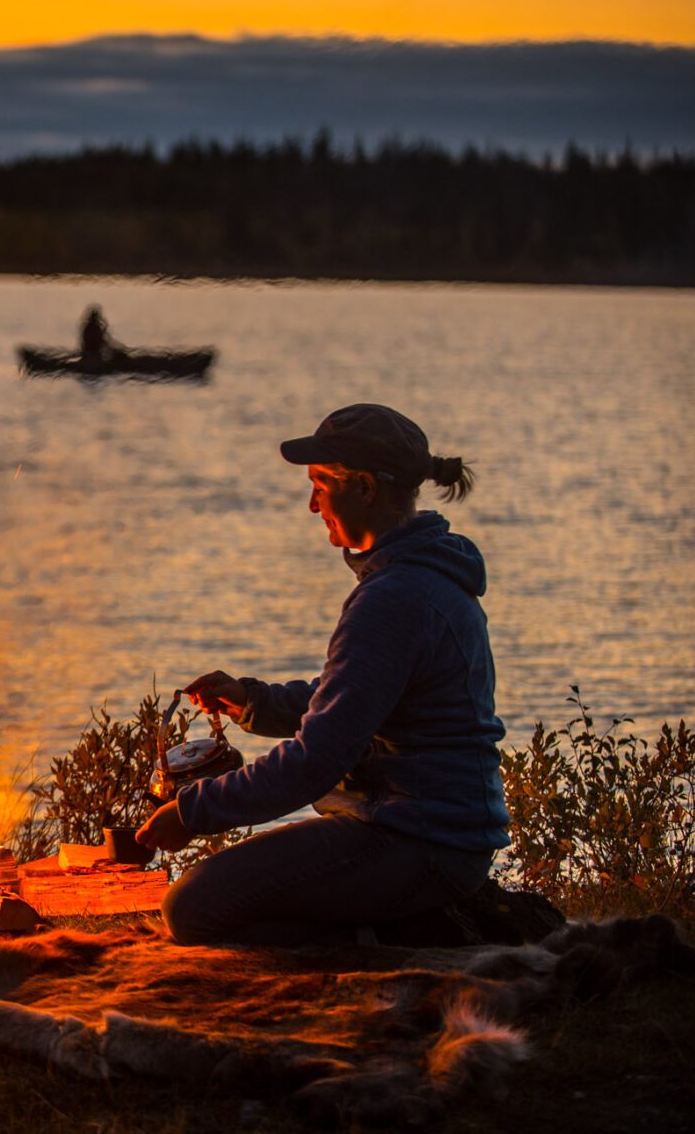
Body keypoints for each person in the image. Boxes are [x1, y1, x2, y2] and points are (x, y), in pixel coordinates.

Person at [138, 403, 509, 946]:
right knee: (233, 892)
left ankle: (379, 950)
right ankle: (378, 926)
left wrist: (192, 812)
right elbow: (354, 700)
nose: (312, 506)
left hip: (419, 840)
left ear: (363, 487)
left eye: (320, 485)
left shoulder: (393, 598)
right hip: (429, 831)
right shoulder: (420, 576)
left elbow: (316, 762)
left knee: (193, 907)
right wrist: (252, 702)